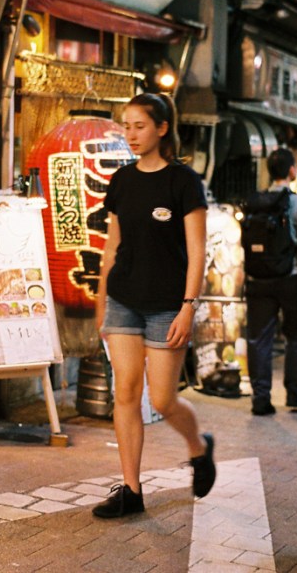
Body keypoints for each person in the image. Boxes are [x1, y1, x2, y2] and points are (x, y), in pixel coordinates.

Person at [93, 93, 215, 518]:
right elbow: (112, 246)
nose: (131, 134)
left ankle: (198, 448)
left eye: (139, 126)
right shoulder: (122, 181)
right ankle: (131, 490)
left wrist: (188, 306)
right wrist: (101, 300)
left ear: (162, 128)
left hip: (167, 304)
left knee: (162, 400)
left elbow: (197, 252)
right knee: (125, 393)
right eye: (126, 126)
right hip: (124, 300)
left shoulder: (184, 182)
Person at [245, 148, 297, 416]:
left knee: (259, 339)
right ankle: (294, 394)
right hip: (291, 279)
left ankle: (260, 398)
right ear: (292, 171)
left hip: (258, 280)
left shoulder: (255, 202)